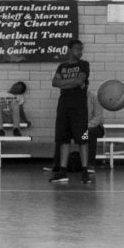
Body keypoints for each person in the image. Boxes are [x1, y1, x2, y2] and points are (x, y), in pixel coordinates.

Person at [50, 39, 91, 184]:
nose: (80, 52)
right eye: (77, 49)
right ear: (69, 50)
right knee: (63, 140)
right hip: (63, 107)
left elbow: (79, 81)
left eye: (81, 49)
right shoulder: (62, 66)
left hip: (79, 108)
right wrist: (71, 83)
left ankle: (85, 171)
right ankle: (62, 171)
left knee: (82, 140)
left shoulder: (84, 64)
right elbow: (55, 83)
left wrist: (65, 83)